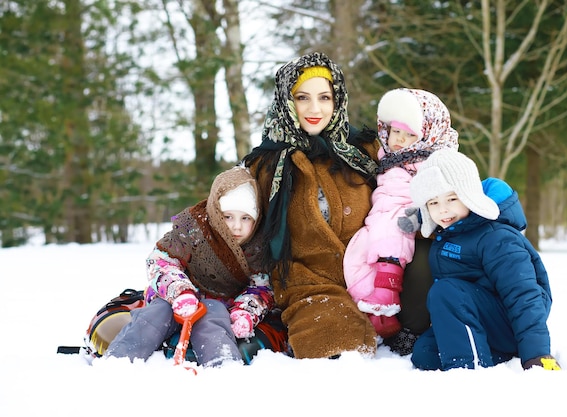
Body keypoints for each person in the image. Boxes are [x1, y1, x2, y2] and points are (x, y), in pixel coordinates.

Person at [241, 52, 381, 359]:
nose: (315, 109)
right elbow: (227, 209)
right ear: (287, 102)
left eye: (324, 97)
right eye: (303, 97)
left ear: (337, 100)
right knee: (335, 342)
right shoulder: (264, 165)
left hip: (379, 277)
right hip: (310, 285)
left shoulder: (365, 151)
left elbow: (414, 186)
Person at [398, 149, 561, 371]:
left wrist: (537, 352)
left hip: (510, 321)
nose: (443, 209)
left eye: (452, 198)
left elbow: (523, 294)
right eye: (433, 203)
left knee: (446, 291)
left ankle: (468, 370)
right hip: (477, 317)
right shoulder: (450, 232)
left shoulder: (495, 236)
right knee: (425, 355)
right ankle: (491, 355)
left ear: (469, 195)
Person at [105, 166, 275, 367]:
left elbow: (261, 287)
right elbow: (160, 261)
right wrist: (179, 291)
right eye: (228, 217)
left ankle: (224, 366)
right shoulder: (194, 230)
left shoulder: (258, 246)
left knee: (214, 319)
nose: (236, 226)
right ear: (216, 211)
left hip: (221, 304)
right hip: (174, 297)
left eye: (245, 218)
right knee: (155, 316)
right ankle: (119, 360)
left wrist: (245, 312)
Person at [343, 88, 458, 339]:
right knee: (358, 256)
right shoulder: (386, 157)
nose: (399, 140)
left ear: (426, 134)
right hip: (381, 219)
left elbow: (449, 201)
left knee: (408, 254)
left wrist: (422, 217)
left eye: (409, 134)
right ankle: (375, 312)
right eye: (395, 131)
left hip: (414, 225)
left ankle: (394, 304)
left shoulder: (435, 162)